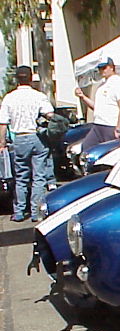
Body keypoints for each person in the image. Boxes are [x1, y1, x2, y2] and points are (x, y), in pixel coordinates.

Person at [0, 66, 54, 222]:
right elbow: (50, 114)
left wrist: (2, 142)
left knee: (21, 176)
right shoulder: (38, 96)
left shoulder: (9, 98)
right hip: (37, 137)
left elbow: (3, 123)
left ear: (17, 79)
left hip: (20, 138)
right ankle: (36, 211)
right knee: (39, 176)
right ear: (31, 78)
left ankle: (19, 211)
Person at [75, 56, 120, 153]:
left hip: (110, 126)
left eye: (104, 67)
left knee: (108, 154)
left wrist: (118, 129)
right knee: (86, 148)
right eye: (100, 68)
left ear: (112, 67)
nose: (102, 70)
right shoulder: (102, 85)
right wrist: (83, 97)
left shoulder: (118, 82)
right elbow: (96, 107)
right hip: (98, 125)